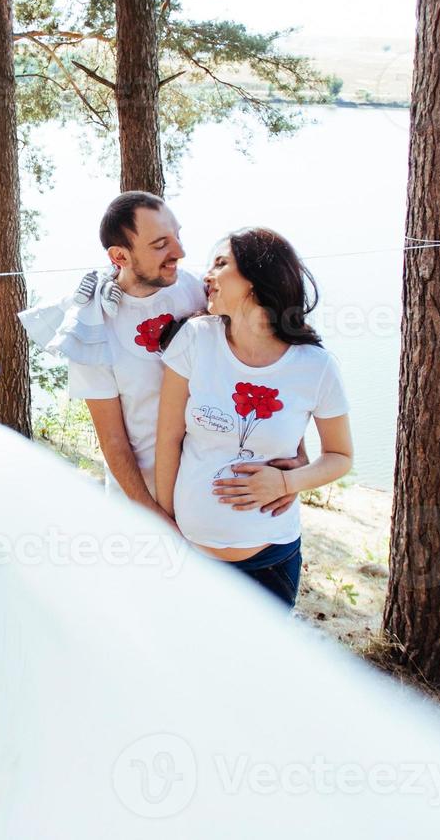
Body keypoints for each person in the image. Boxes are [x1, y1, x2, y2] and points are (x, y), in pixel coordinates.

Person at [65, 193, 304, 525]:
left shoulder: (199, 289)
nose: (179, 252)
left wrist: (296, 462)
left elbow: (264, 359)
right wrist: (157, 519)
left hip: (213, 496)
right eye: (161, 244)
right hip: (140, 511)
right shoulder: (90, 327)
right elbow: (113, 441)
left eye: (177, 235)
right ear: (120, 255)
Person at [154, 227, 353, 607]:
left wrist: (285, 482)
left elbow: (340, 457)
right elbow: (169, 439)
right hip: (190, 557)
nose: (206, 276)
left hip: (269, 563)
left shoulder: (316, 367)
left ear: (257, 279)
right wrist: (166, 522)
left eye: (221, 264)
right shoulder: (196, 339)